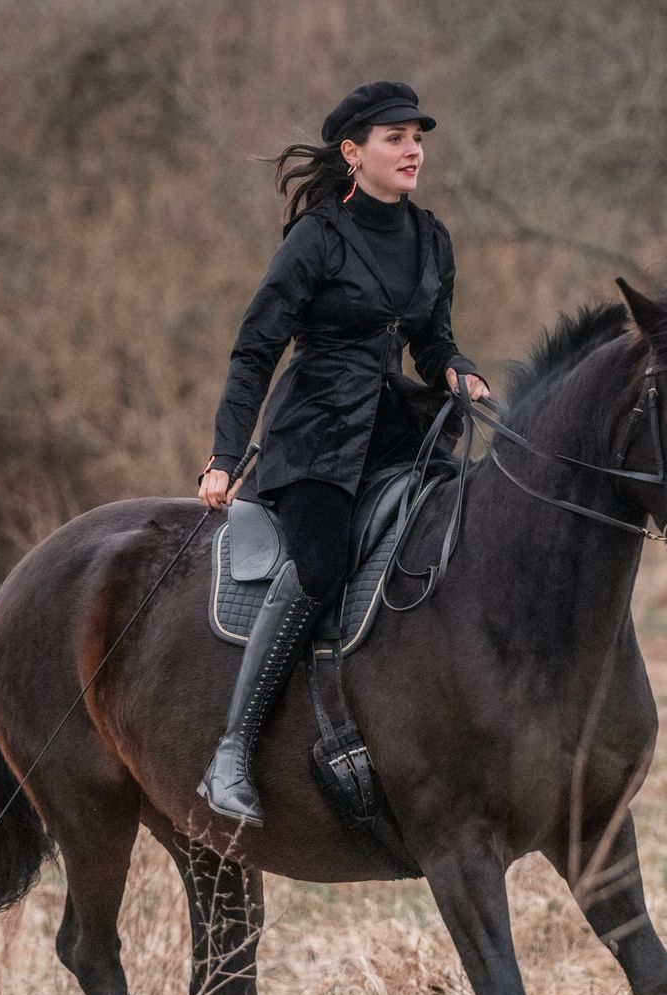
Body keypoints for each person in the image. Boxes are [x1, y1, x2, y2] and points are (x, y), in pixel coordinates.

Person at [197, 80, 491, 827]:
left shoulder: (432, 239)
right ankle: (232, 751)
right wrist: (225, 456)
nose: (413, 148)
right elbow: (256, 349)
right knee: (321, 566)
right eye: (395, 138)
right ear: (353, 153)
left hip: (398, 435)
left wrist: (459, 370)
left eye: (417, 136)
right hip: (315, 441)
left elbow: (432, 341)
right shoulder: (316, 238)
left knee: (460, 536)